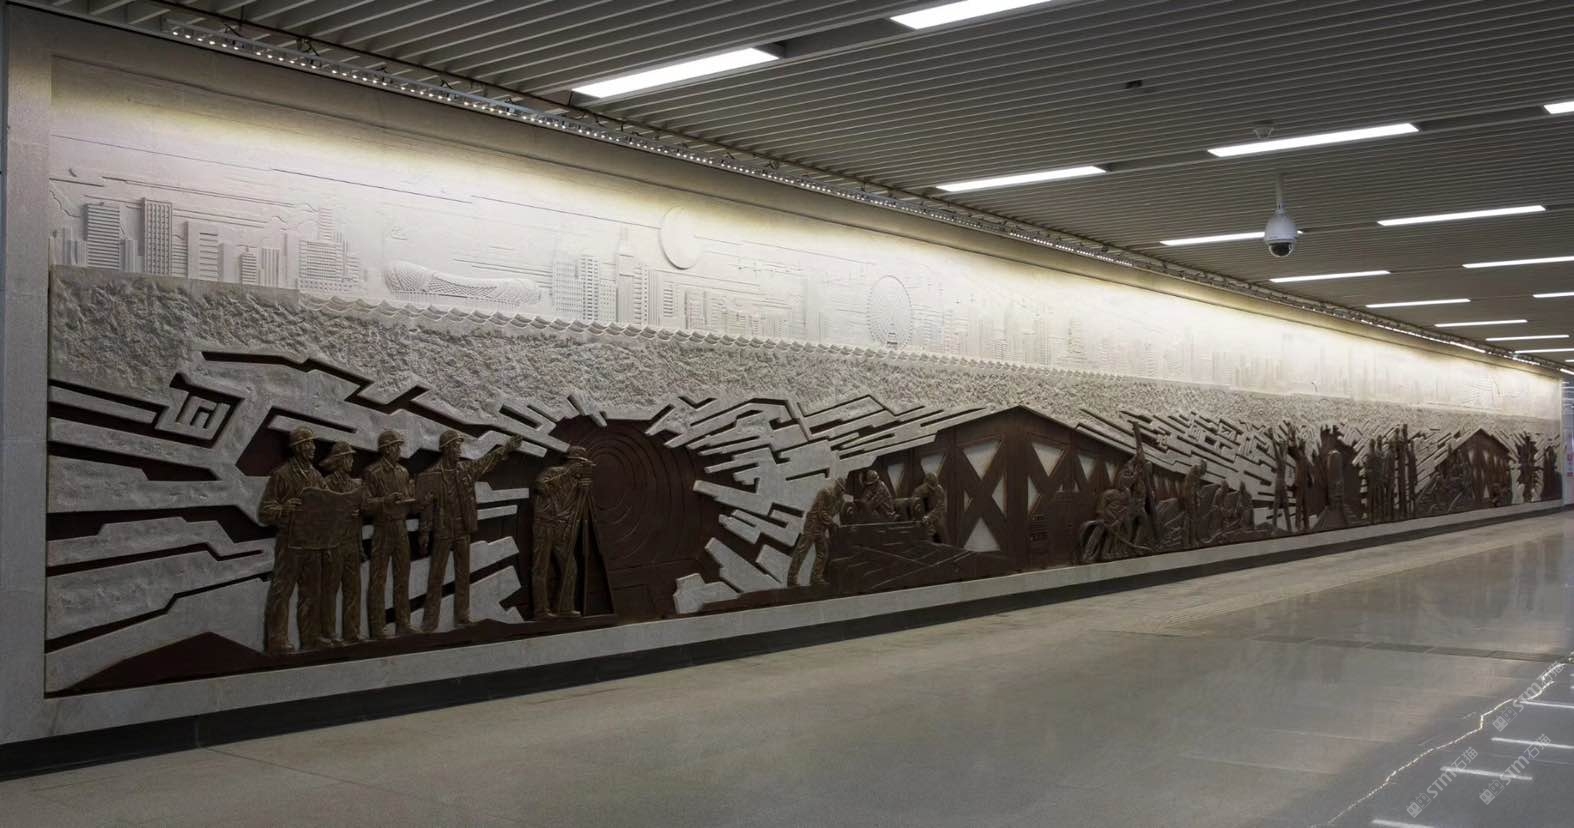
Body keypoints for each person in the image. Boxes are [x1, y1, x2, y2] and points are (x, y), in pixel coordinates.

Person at [419, 430, 523, 632]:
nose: (459, 450)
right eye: (455, 446)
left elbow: (486, 462)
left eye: (459, 446)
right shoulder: (432, 475)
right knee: (436, 576)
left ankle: (462, 617)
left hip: (462, 528)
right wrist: (424, 532)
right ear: (446, 449)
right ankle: (430, 622)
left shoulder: (465, 469)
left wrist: (506, 448)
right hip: (443, 529)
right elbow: (426, 507)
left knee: (463, 575)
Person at [258, 427, 326, 654]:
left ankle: (310, 638)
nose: (313, 447)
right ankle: (276, 640)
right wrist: (284, 508)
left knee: (312, 592)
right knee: (282, 590)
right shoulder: (282, 475)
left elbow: (327, 504)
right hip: (289, 542)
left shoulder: (316, 476)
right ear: (297, 448)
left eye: (313, 443)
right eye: (308, 443)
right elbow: (264, 512)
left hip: (312, 542)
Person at [531, 446, 596, 620]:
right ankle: (541, 610)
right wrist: (567, 474)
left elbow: (579, 513)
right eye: (581, 465)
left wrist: (583, 492)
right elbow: (541, 487)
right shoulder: (553, 472)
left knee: (570, 569)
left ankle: (564, 607)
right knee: (540, 568)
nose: (583, 469)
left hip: (562, 529)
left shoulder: (578, 483)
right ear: (573, 462)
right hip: (544, 526)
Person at [363, 430, 415, 638]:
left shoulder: (403, 472)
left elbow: (410, 504)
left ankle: (403, 623)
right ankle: (377, 627)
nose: (398, 450)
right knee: (378, 579)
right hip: (383, 528)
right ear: (385, 449)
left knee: (402, 577)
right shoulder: (372, 472)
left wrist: (416, 498)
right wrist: (386, 500)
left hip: (401, 527)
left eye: (399, 446)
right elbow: (365, 505)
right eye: (395, 446)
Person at [318, 441, 364, 644]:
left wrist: (360, 545)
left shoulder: (355, 486)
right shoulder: (326, 484)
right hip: (333, 544)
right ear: (339, 460)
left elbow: (359, 518)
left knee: (353, 589)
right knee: (330, 590)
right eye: (349, 457)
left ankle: (351, 631)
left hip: (351, 543)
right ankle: (328, 633)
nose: (352, 461)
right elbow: (320, 517)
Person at [787, 478, 848, 587]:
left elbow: (840, 514)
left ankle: (815, 578)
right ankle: (791, 579)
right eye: (840, 488)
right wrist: (831, 523)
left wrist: (837, 527)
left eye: (843, 490)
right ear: (836, 485)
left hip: (822, 528)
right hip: (812, 524)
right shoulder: (825, 493)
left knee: (823, 551)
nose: (841, 491)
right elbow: (821, 512)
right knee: (802, 550)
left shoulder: (840, 501)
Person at [910, 472, 947, 543]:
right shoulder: (918, 491)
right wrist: (923, 518)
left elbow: (940, 506)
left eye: (935, 486)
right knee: (926, 538)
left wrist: (930, 517)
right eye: (931, 487)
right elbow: (914, 508)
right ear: (926, 483)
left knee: (942, 532)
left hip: (936, 517)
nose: (934, 489)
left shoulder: (939, 490)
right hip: (923, 519)